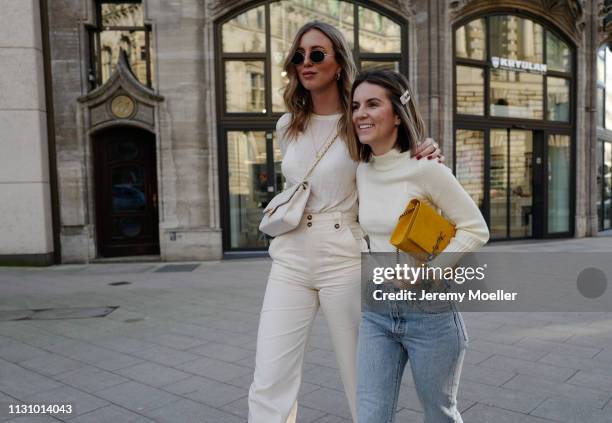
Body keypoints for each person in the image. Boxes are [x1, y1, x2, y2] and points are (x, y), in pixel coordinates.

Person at [248, 22, 443, 423]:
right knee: (269, 376)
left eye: (317, 54)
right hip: (290, 256)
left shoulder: (359, 122)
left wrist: (427, 151)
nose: (306, 62)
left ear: (338, 62)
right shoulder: (289, 125)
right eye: (299, 55)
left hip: (345, 258)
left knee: (362, 379)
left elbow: (397, 163)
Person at [349, 69, 489, 422]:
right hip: (376, 310)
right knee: (370, 415)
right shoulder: (362, 171)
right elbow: (359, 226)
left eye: (372, 104)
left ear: (397, 114)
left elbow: (475, 228)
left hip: (430, 311)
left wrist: (427, 274)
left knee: (439, 413)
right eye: (355, 106)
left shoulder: (427, 168)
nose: (360, 113)